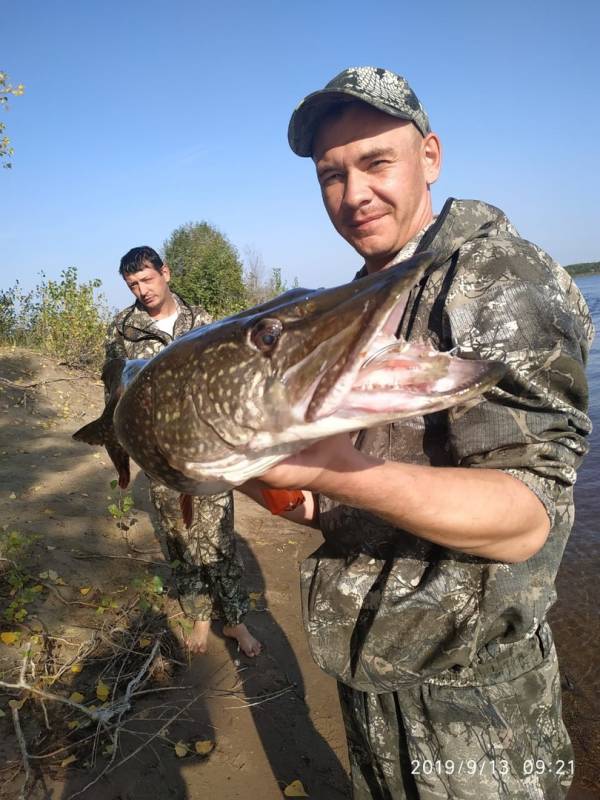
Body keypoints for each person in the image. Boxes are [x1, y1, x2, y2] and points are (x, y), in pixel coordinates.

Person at [244, 67, 594, 798]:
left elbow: (529, 516)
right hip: (374, 675)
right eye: (331, 175)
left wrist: (331, 470)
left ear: (429, 157)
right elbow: (338, 499)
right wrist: (270, 475)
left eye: (376, 162)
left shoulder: (495, 275)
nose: (354, 194)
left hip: (473, 704)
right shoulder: (367, 298)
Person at [105, 245, 261, 657]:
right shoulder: (123, 329)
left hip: (207, 449)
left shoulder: (205, 323)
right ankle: (199, 616)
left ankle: (235, 621)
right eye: (133, 284)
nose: (142, 289)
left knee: (218, 538)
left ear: (166, 273)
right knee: (177, 538)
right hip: (157, 455)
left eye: (147, 279)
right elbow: (112, 391)